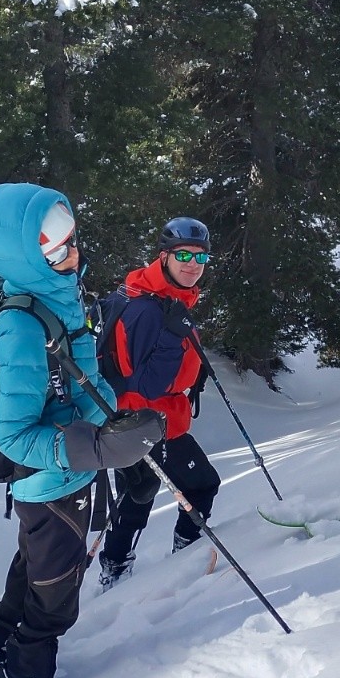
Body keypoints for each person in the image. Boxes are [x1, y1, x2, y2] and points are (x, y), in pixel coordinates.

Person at [0, 183, 164, 678]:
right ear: (25, 256)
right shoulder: (22, 325)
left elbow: (77, 386)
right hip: (52, 483)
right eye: (54, 251)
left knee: (32, 575)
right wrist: (100, 446)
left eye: (71, 240)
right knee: (53, 603)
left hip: (64, 478)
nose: (72, 255)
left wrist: (113, 425)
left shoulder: (55, 296)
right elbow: (15, 436)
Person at [96, 217, 220, 587]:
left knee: (138, 496)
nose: (192, 264)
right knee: (180, 489)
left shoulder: (151, 294)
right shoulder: (150, 309)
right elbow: (150, 383)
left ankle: (118, 569)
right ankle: (169, 559)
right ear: (163, 256)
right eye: (183, 254)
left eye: (201, 258)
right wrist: (174, 337)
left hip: (144, 418)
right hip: (146, 419)